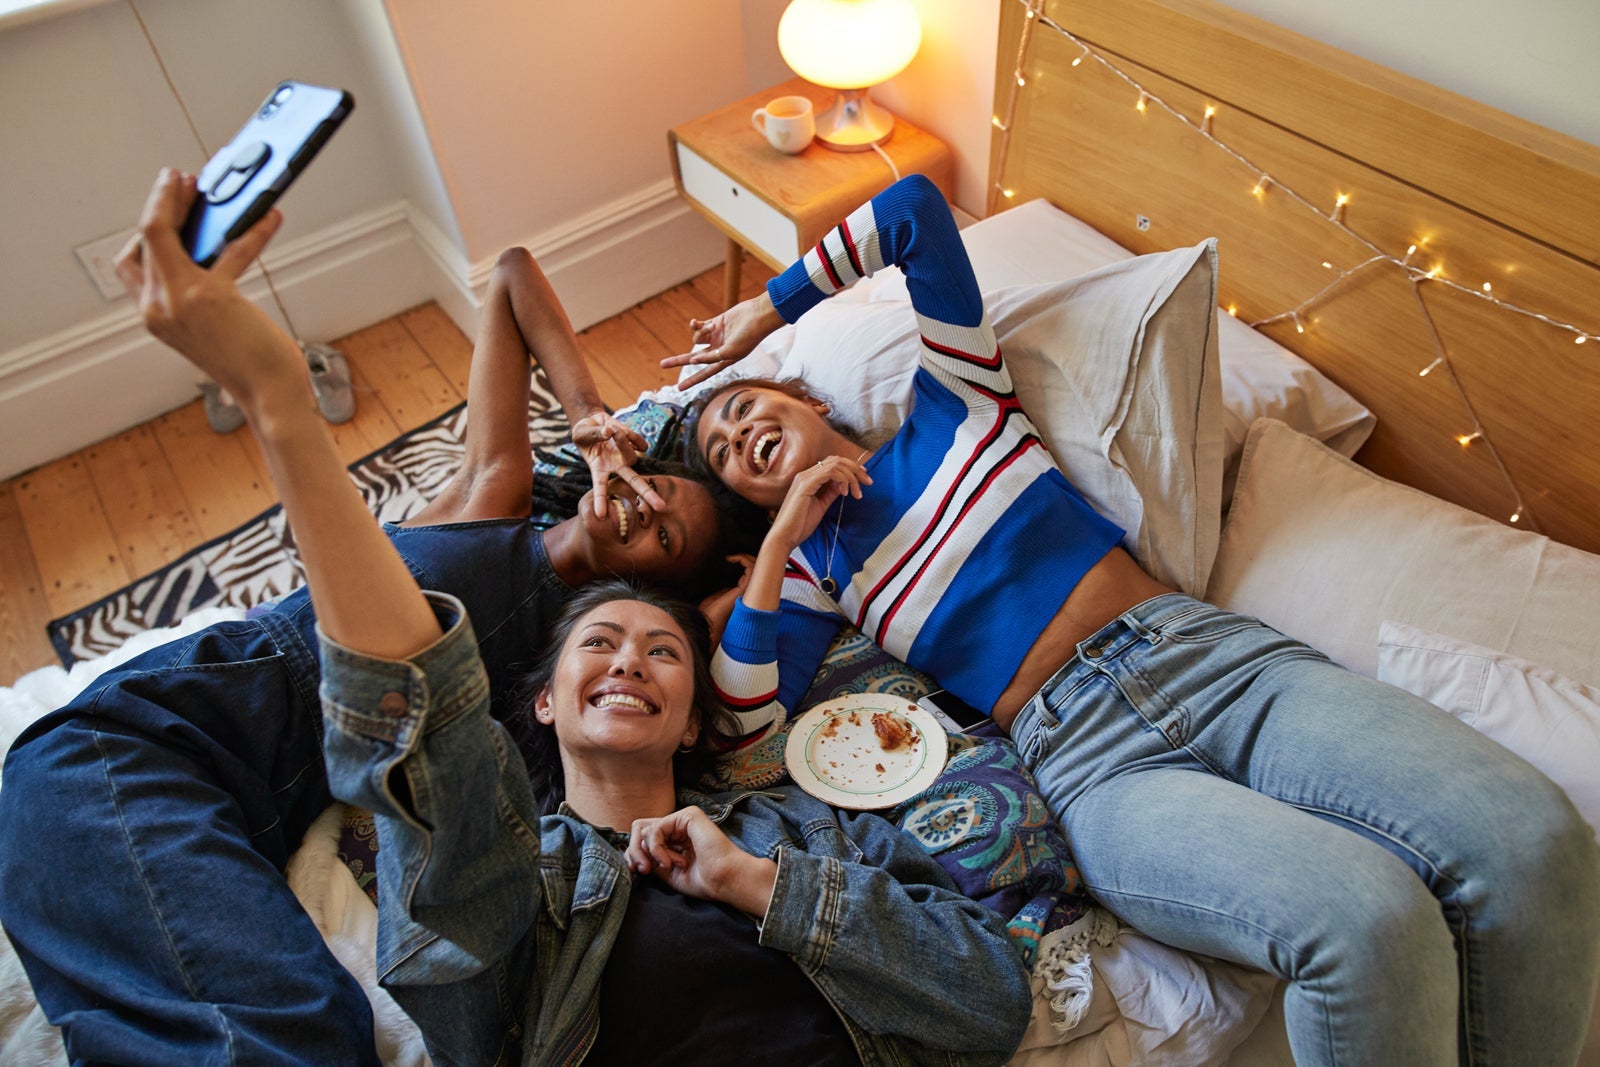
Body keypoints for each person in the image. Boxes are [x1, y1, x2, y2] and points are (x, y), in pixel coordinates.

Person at [668, 173, 1600, 1065]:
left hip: (1213, 660)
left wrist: (769, 309)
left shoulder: (956, 400)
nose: (738, 434)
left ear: (807, 398)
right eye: (724, 451)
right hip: (1091, 759)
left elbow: (913, 212)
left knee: (1534, 842)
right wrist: (785, 538)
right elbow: (740, 719)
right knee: (1367, 922)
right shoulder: (816, 575)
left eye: (747, 405)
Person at [0, 169, 752, 1066]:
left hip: (251, 797)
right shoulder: (494, 495)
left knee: (301, 1024)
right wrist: (590, 415)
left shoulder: (583, 661)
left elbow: (731, 623)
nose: (638, 510)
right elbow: (511, 273)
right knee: (292, 1032)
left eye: (661, 538)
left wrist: (761, 553)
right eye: (657, 489)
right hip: (161, 734)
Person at [321, 573, 1031, 1066]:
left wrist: (757, 884)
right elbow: (426, 744)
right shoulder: (517, 872)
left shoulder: (800, 825)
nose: (630, 662)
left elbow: (990, 999)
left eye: (663, 653)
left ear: (693, 723)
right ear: (545, 701)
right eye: (599, 643)